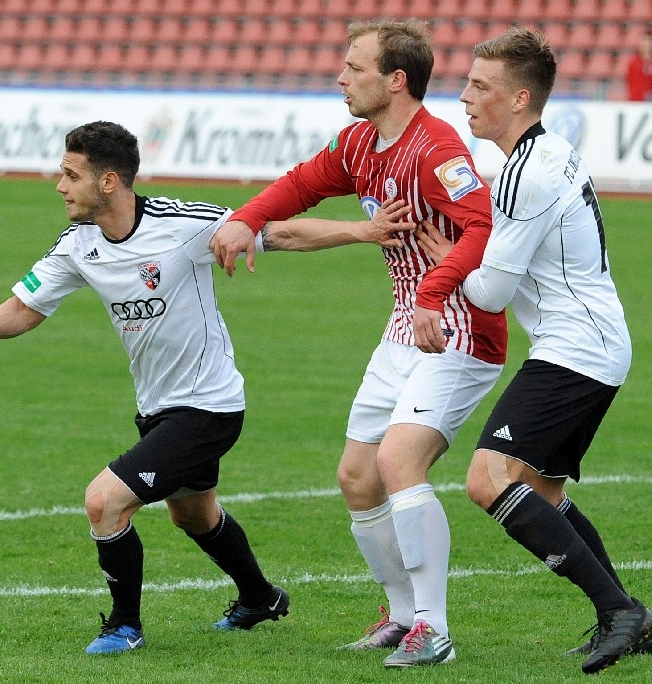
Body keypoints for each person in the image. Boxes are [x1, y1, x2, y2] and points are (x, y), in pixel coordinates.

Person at [211, 19, 508, 667]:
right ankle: (401, 616)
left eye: (355, 68)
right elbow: (301, 183)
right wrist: (245, 219)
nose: (341, 78)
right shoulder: (360, 143)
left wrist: (434, 292)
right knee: (356, 476)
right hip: (405, 326)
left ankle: (433, 629)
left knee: (399, 464)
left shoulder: (437, 149)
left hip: (457, 330)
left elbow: (483, 228)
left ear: (396, 80)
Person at [0, 121, 290, 655]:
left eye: (70, 174)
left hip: (208, 405)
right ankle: (260, 597)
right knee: (193, 515)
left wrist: (364, 231)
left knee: (104, 502)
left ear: (108, 181)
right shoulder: (78, 245)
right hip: (157, 406)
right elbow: (25, 307)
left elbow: (278, 233)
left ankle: (124, 627)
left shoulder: (182, 224)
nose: (60, 185)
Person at [411, 27, 652, 675]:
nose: (465, 96)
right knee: (540, 491)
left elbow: (491, 293)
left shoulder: (527, 172)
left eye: (480, 86)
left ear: (520, 98)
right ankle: (624, 617)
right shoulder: (545, 153)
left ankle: (622, 612)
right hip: (591, 342)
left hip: (575, 349)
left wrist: (451, 263)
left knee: (487, 479)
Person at [625, 31, 652, 102]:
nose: (647, 44)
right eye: (644, 41)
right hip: (636, 103)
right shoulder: (633, 63)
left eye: (650, 41)